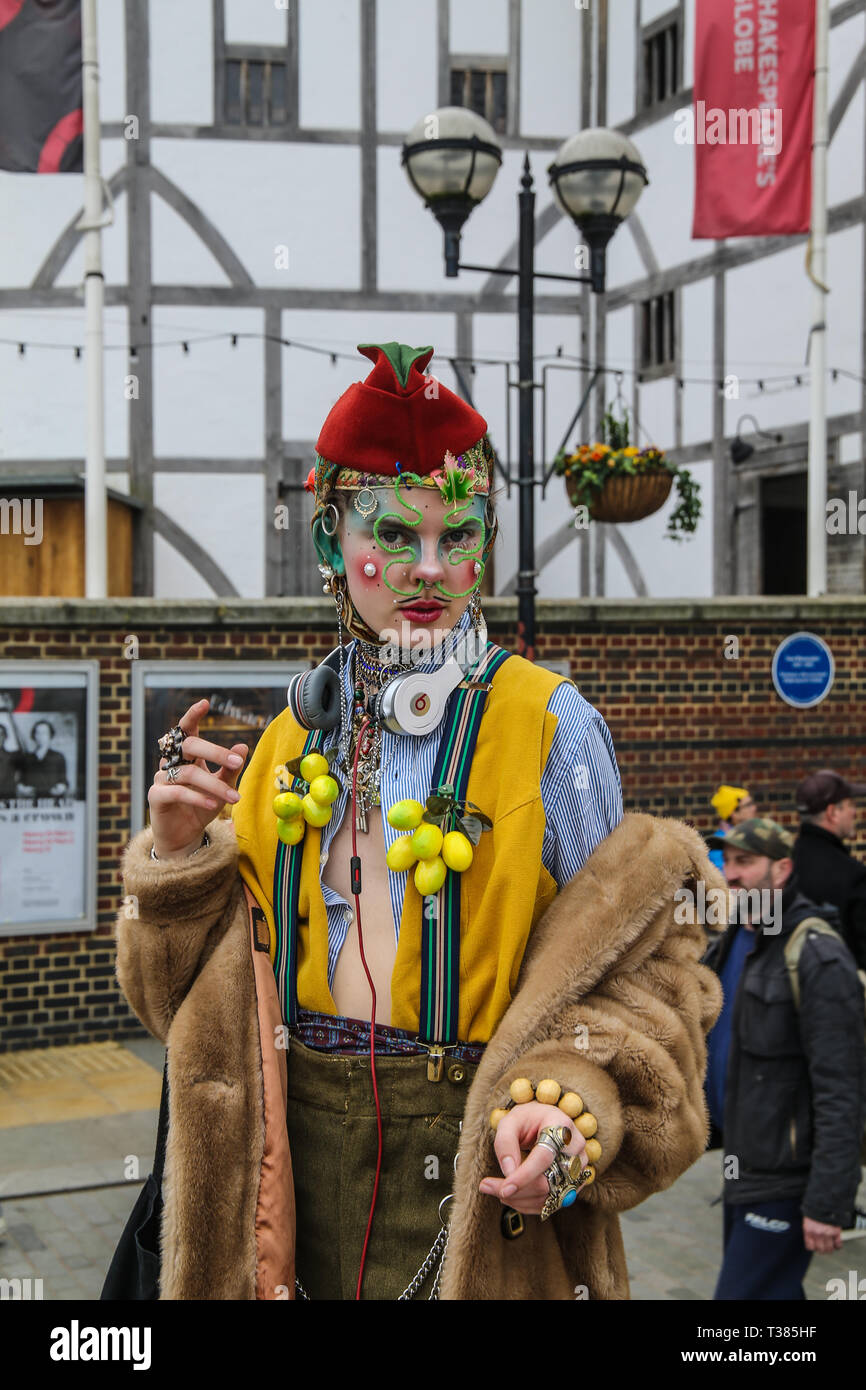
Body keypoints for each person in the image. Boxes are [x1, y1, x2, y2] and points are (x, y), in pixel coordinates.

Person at [112, 340, 724, 1301]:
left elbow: (648, 981)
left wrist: (568, 1110)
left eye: (461, 534)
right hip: (286, 1181)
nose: (430, 568)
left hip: (482, 1178)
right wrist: (178, 861)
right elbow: (182, 1014)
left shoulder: (550, 728)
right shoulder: (281, 744)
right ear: (329, 546)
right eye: (393, 536)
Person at [703, 817, 866, 1301]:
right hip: (740, 1165)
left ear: (783, 868)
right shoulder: (736, 940)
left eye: (746, 862)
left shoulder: (817, 955)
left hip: (787, 1177)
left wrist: (828, 1202)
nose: (731, 874)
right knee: (772, 1296)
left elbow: (843, 1088)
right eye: (728, 861)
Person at [793, 768, 866, 971]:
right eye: (850, 805)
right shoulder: (854, 875)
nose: (855, 812)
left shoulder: (783, 866)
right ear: (832, 812)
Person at [707, 784, 757, 870]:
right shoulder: (718, 845)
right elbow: (723, 879)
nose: (754, 808)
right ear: (734, 813)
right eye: (748, 805)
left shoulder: (751, 835)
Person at [17, 719, 68, 798]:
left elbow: (63, 781)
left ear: (50, 735)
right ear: (34, 736)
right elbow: (21, 781)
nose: (40, 736)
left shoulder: (58, 757)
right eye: (38, 733)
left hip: (52, 802)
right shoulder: (26, 758)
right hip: (30, 801)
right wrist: (22, 788)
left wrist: (61, 788)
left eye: (44, 733)